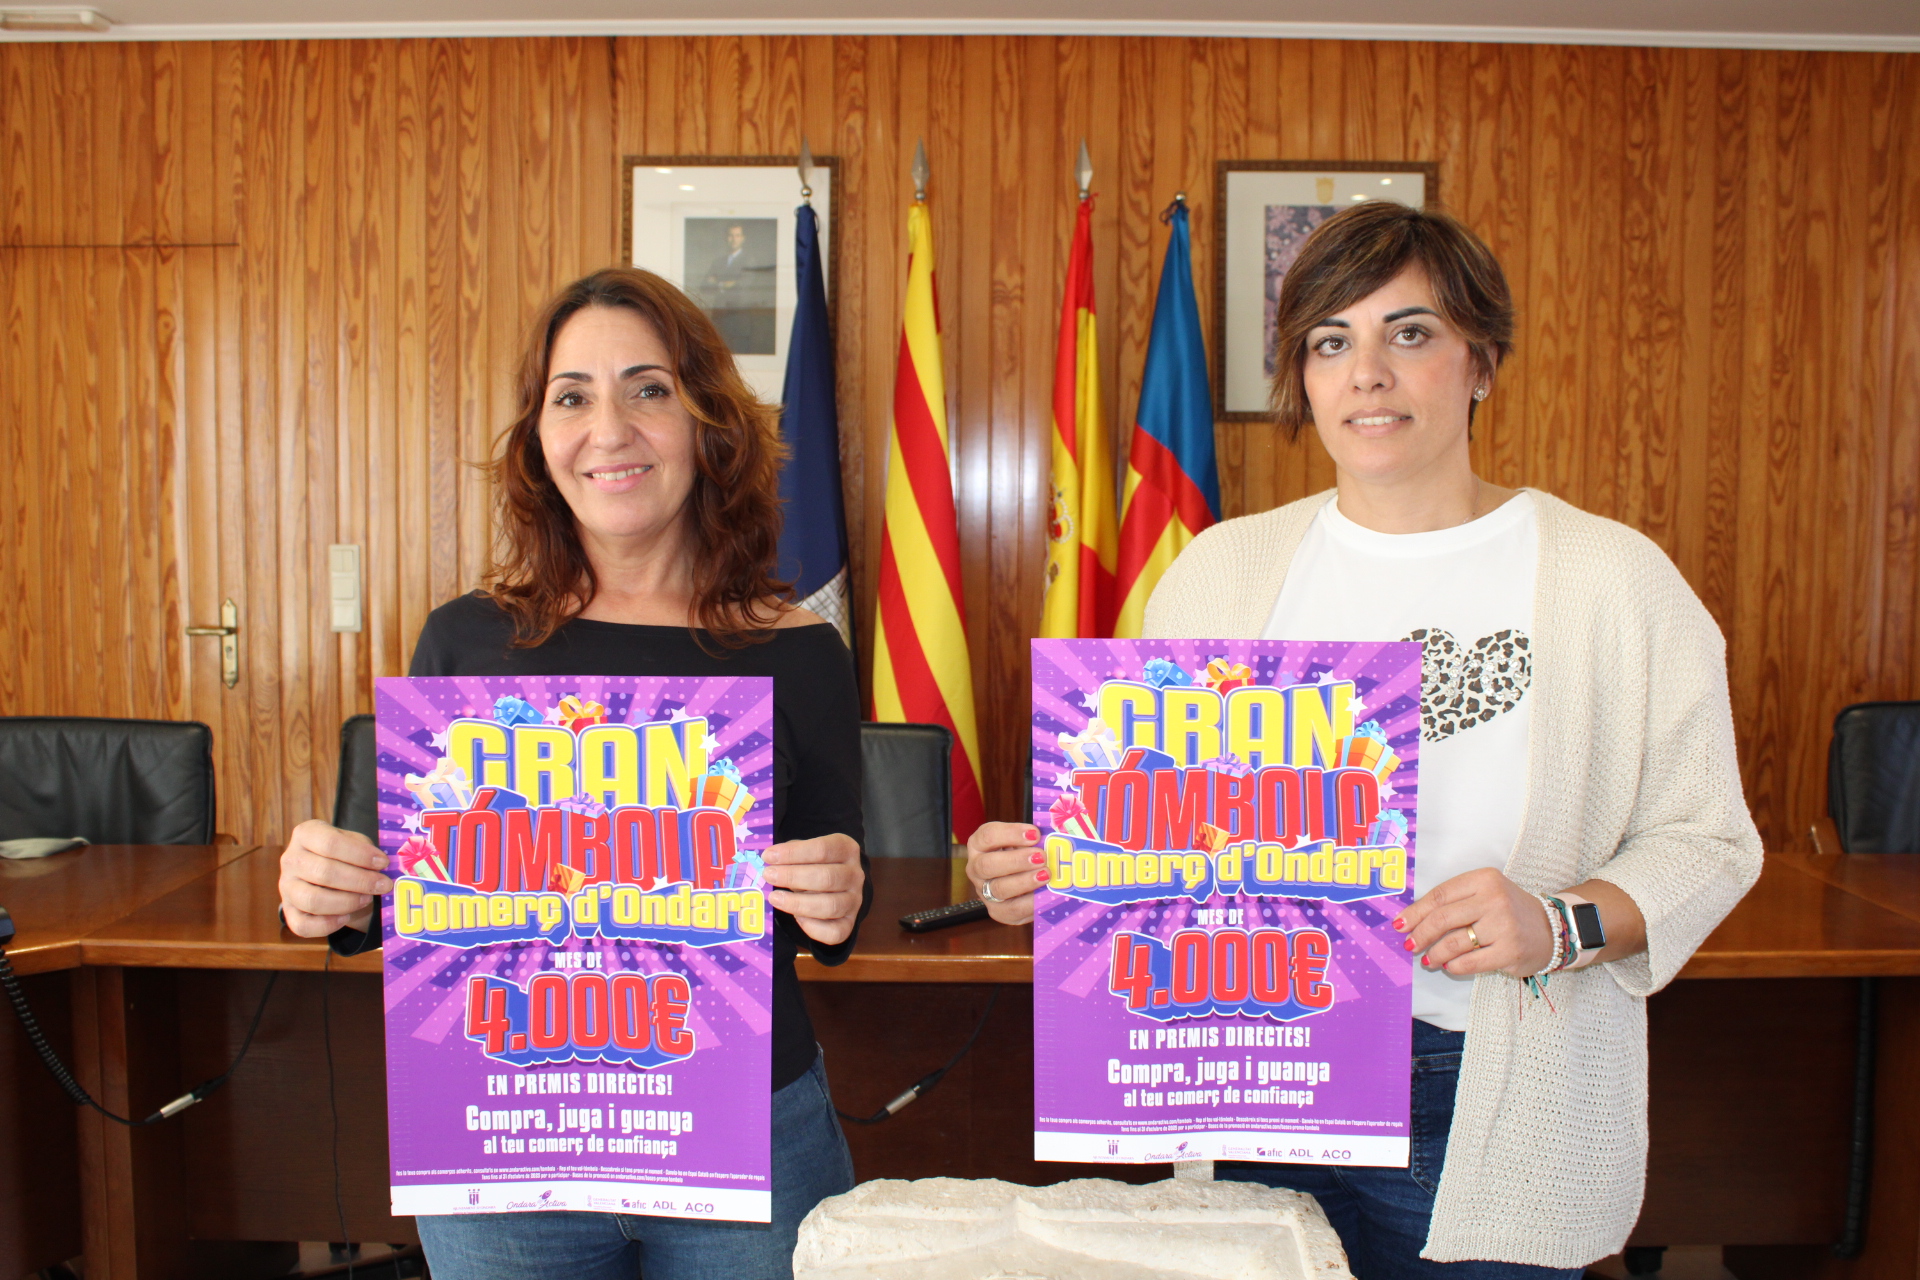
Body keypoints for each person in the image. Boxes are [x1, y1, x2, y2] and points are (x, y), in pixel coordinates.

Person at [966, 201, 1761, 1277]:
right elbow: (1167, 823)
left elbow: (1708, 839)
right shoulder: (1221, 571)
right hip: (1251, 1066)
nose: (1367, 374)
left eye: (1410, 333)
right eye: (1332, 342)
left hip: (1485, 1081)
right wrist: (1052, 870)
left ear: (1482, 361)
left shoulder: (1611, 579)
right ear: (1303, 376)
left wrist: (1559, 922)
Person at [277, 266, 870, 1280]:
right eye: (572, 396)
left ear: (709, 423)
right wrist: (327, 888)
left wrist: (837, 890)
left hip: (742, 1135)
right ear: (539, 438)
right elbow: (403, 893)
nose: (609, 429)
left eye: (649, 389)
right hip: (508, 1146)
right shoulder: (465, 641)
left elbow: (833, 916)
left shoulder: (800, 649)